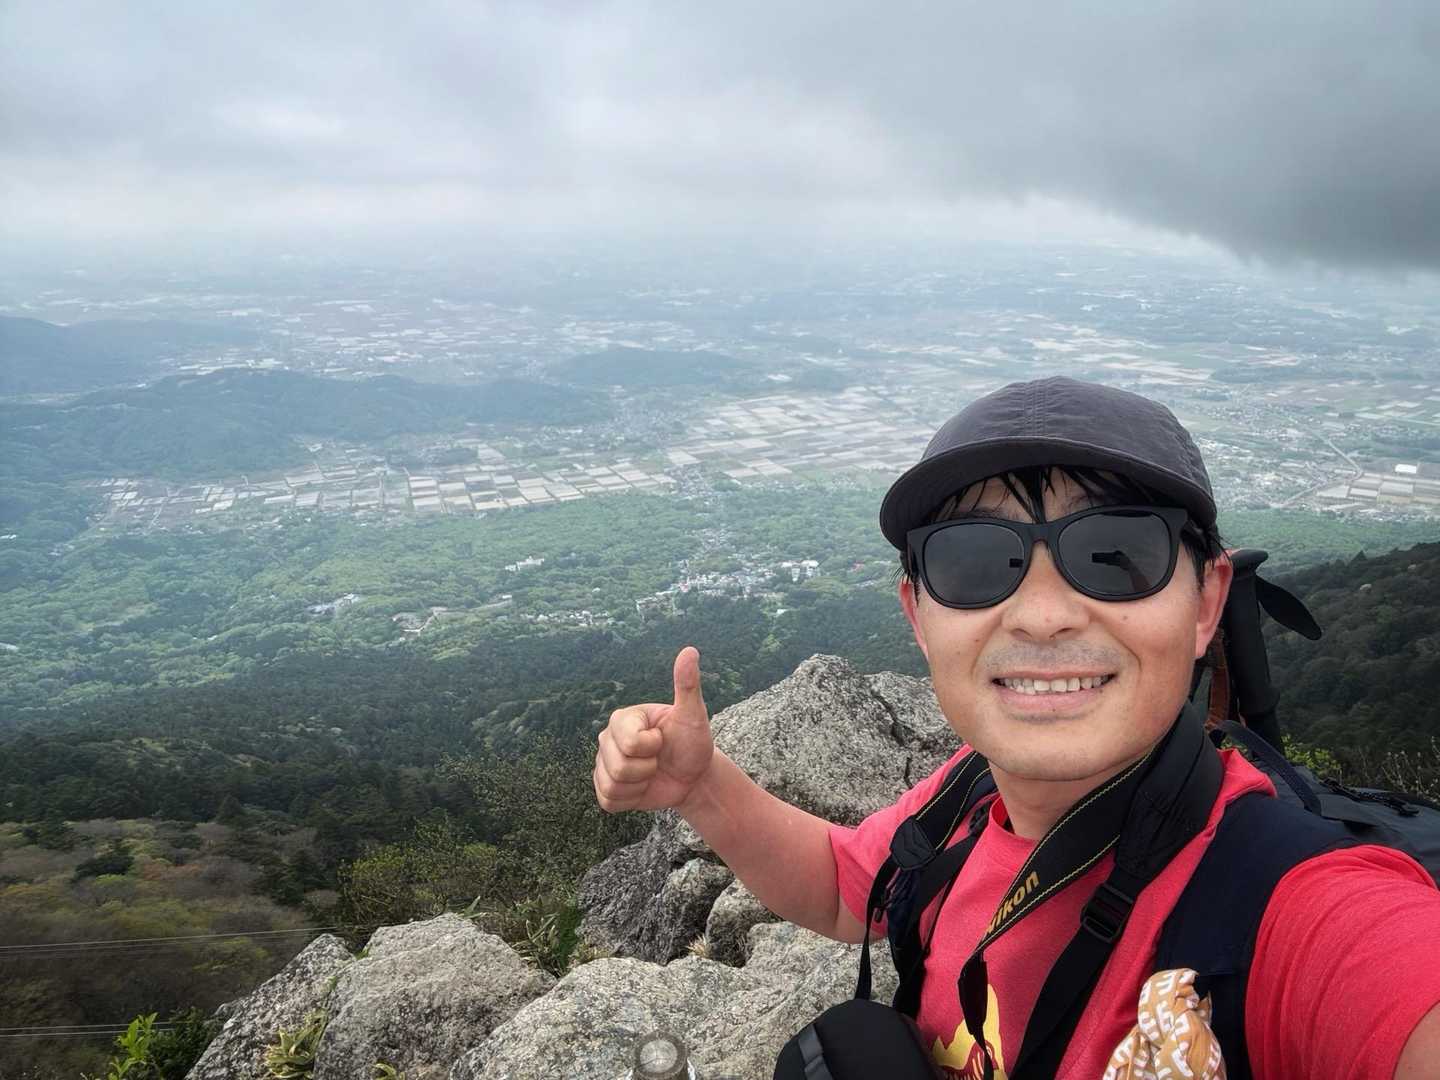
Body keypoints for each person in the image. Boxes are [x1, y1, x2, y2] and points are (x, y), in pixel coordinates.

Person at [593, 376, 1440, 1078]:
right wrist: (704, 788)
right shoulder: (963, 801)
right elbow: (841, 884)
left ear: (1205, 603)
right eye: (974, 560)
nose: (1041, 614)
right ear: (918, 616)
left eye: (1115, 554)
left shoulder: (1291, 911)